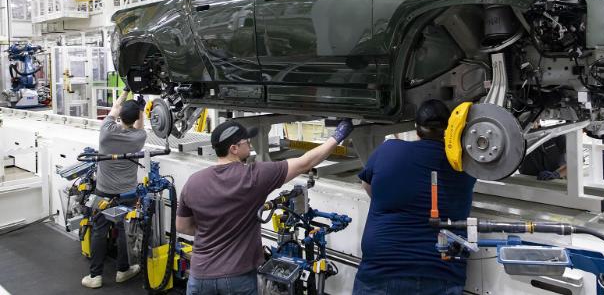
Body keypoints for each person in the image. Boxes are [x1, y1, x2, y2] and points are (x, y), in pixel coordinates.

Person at [176, 118, 353, 295]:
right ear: (234, 149)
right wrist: (337, 137)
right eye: (246, 141)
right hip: (238, 278)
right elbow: (304, 163)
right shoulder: (253, 176)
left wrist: (214, 230)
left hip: (200, 277)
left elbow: (182, 226)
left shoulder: (194, 182)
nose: (250, 144)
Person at [353, 99, 476, 295]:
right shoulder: (465, 164)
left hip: (382, 270)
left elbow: (368, 187)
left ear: (416, 128)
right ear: (451, 128)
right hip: (442, 274)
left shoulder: (388, 150)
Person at [81, 88, 147, 289]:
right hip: (127, 193)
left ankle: (96, 276)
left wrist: (126, 91)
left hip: (103, 192)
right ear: (135, 118)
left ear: (120, 117)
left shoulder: (106, 132)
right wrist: (141, 110)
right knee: (125, 231)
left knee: (100, 231)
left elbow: (116, 107)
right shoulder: (138, 138)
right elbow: (140, 127)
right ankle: (123, 271)